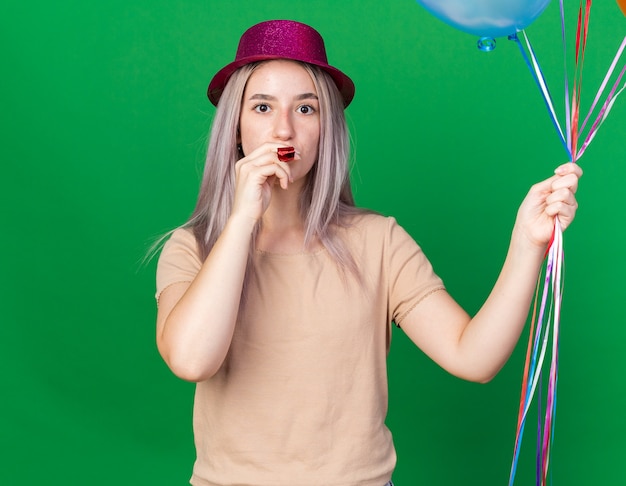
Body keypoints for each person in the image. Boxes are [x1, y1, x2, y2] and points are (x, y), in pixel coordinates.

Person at [155, 19, 582, 486]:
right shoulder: (191, 248)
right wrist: (240, 221)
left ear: (326, 127)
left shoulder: (379, 241)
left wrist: (526, 243)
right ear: (235, 127)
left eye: (306, 108)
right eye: (262, 107)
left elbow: (474, 358)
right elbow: (192, 360)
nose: (284, 129)